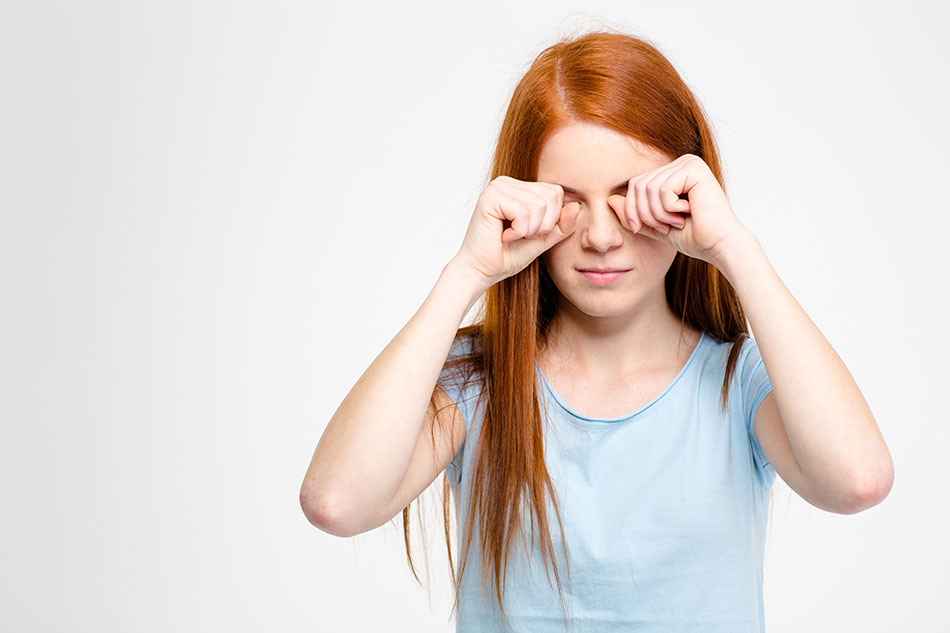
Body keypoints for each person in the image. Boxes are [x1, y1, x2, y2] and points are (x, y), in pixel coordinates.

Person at [299, 29, 894, 633]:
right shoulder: (479, 381)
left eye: (628, 195)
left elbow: (858, 482)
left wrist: (733, 247)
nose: (602, 237)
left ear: (686, 194)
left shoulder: (738, 379)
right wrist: (467, 272)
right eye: (570, 199)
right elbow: (336, 503)